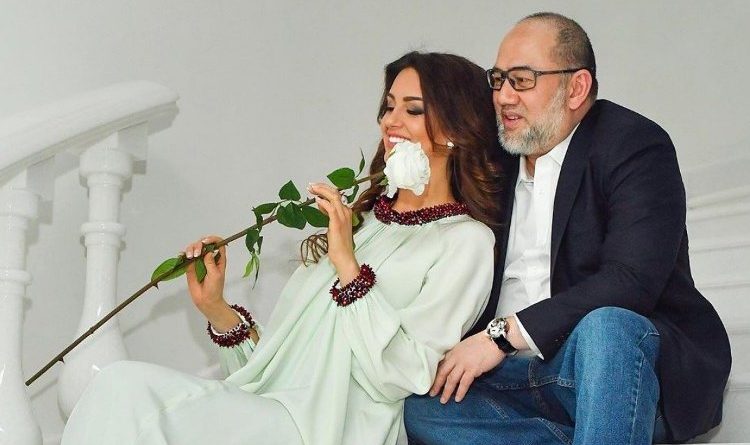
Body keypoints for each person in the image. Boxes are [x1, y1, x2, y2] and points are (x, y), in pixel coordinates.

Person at [60, 51, 505, 445]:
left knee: (123, 389)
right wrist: (218, 310)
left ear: (456, 129)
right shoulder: (360, 222)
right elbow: (276, 367)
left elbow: (406, 372)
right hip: (270, 411)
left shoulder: (465, 242)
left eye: (413, 109)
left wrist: (348, 266)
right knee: (117, 389)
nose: (391, 121)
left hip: (330, 431)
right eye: (388, 107)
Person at [404, 12, 731, 445]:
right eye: (498, 79)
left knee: (607, 328)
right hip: (512, 381)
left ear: (576, 88)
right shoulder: (494, 157)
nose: (503, 96)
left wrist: (501, 336)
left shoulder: (633, 145)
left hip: (611, 371)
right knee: (419, 408)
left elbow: (631, 281)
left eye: (522, 80)